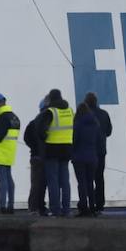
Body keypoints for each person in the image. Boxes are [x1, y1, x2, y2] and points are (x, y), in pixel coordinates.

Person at [37, 88, 74, 216]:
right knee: (65, 181)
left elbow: (41, 130)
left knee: (53, 181)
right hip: (67, 148)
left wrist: (44, 138)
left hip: (52, 149)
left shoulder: (50, 112)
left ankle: (55, 209)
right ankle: (67, 209)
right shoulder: (70, 111)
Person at [0, 92, 21, 214]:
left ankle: (2, 206)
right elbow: (6, 133)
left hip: (1, 151)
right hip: (10, 151)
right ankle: (10, 205)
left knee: (3, 180)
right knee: (9, 179)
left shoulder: (1, 117)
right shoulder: (14, 117)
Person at [84, 92, 113, 212]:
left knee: (87, 178)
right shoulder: (104, 114)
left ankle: (89, 203)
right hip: (101, 150)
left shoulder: (83, 115)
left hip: (87, 150)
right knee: (99, 177)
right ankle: (100, 204)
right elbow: (109, 131)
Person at [72, 102, 101, 216]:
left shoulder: (78, 124)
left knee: (82, 183)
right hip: (92, 157)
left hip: (79, 157)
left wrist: (72, 153)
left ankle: (83, 207)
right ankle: (93, 207)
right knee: (90, 182)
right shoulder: (95, 124)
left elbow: (75, 141)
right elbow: (99, 141)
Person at [23, 98, 49, 215]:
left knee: (36, 183)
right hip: (46, 156)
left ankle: (35, 207)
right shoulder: (49, 122)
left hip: (36, 156)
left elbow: (26, 138)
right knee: (43, 183)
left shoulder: (33, 123)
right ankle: (38, 206)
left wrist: (34, 148)